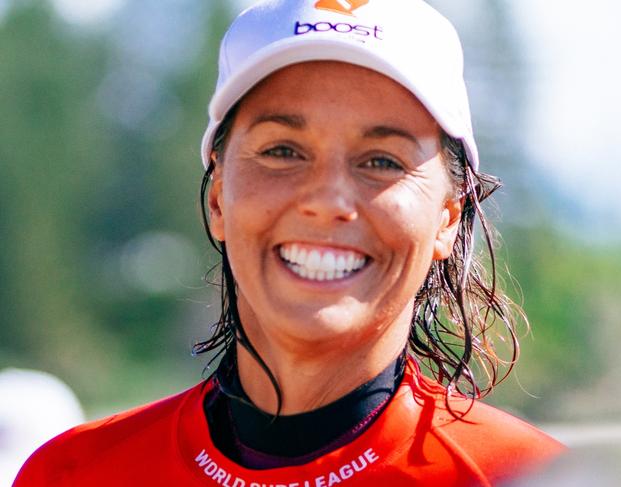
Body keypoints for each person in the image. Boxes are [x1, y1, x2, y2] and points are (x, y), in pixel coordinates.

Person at [14, 0, 565, 485]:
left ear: (448, 217)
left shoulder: (520, 477)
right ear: (218, 198)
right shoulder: (73, 474)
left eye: (381, 161)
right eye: (282, 150)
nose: (326, 200)